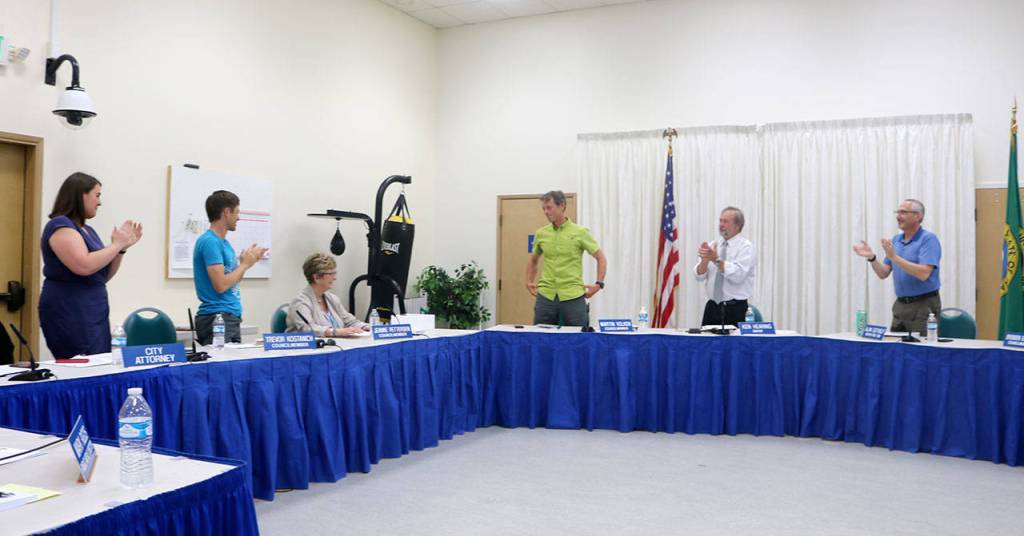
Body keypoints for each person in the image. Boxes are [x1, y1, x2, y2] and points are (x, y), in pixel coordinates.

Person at [38, 172, 142, 358]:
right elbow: (83, 266)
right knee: (81, 364)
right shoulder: (60, 226)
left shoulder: (88, 230)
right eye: (97, 195)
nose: (100, 202)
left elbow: (102, 275)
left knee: (99, 362)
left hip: (94, 308)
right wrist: (116, 244)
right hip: (70, 309)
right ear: (80, 195)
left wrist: (121, 249)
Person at [853, 198, 941, 334]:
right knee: (896, 350)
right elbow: (883, 273)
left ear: (918, 216)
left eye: (903, 212)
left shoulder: (928, 239)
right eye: (897, 212)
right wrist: (871, 257)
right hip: (900, 305)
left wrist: (894, 257)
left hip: (924, 305)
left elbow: (924, 273)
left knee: (920, 350)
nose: (898, 216)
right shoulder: (896, 240)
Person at [192, 190, 268, 345]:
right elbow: (221, 285)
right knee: (221, 367)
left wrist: (246, 264)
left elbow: (232, 282)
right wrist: (245, 265)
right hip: (217, 317)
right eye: (237, 212)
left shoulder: (225, 244)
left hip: (230, 316)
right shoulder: (210, 242)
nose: (238, 217)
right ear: (226, 212)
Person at [525, 190, 607, 327]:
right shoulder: (541, 233)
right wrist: (528, 281)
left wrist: (599, 284)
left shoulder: (580, 232)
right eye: (543, 209)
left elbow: (601, 258)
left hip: (573, 295)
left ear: (562, 205)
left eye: (549, 207)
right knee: (540, 337)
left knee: (579, 339)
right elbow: (533, 260)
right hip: (546, 295)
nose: (546, 212)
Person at [694, 206, 756, 327]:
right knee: (707, 345)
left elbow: (738, 275)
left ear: (737, 226)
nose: (721, 224)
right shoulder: (713, 245)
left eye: (726, 221)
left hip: (735, 309)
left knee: (735, 346)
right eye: (720, 220)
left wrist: (716, 260)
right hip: (712, 308)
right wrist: (705, 261)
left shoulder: (746, 247)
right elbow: (699, 277)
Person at [287, 253, 369, 336]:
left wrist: (367, 327)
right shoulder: (300, 302)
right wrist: (335, 332)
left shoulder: (332, 298)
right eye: (331, 274)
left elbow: (350, 321)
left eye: (334, 273)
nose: (334, 278)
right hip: (309, 348)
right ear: (316, 277)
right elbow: (307, 329)